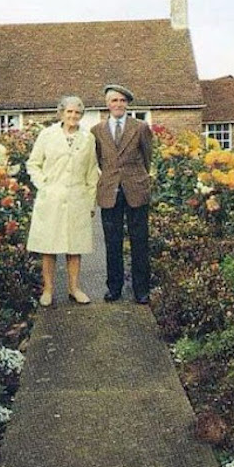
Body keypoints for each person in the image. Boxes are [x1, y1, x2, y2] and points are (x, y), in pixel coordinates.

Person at [26, 96, 100, 307]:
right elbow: (33, 164)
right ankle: (48, 290)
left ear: (81, 115)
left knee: (74, 247)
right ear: (61, 113)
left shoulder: (88, 139)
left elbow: (91, 173)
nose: (73, 116)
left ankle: (74, 288)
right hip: (51, 198)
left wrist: (90, 202)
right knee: (48, 246)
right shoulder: (47, 135)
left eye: (77, 113)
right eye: (69, 112)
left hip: (78, 198)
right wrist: (44, 185)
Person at [91, 84, 153, 304]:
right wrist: (111, 177)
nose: (117, 104)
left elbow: (147, 157)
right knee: (112, 242)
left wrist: (136, 177)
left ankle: (141, 290)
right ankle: (114, 288)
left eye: (121, 101)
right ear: (107, 104)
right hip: (110, 191)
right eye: (113, 101)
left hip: (136, 189)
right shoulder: (97, 131)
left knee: (139, 241)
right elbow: (99, 160)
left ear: (127, 104)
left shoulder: (140, 127)